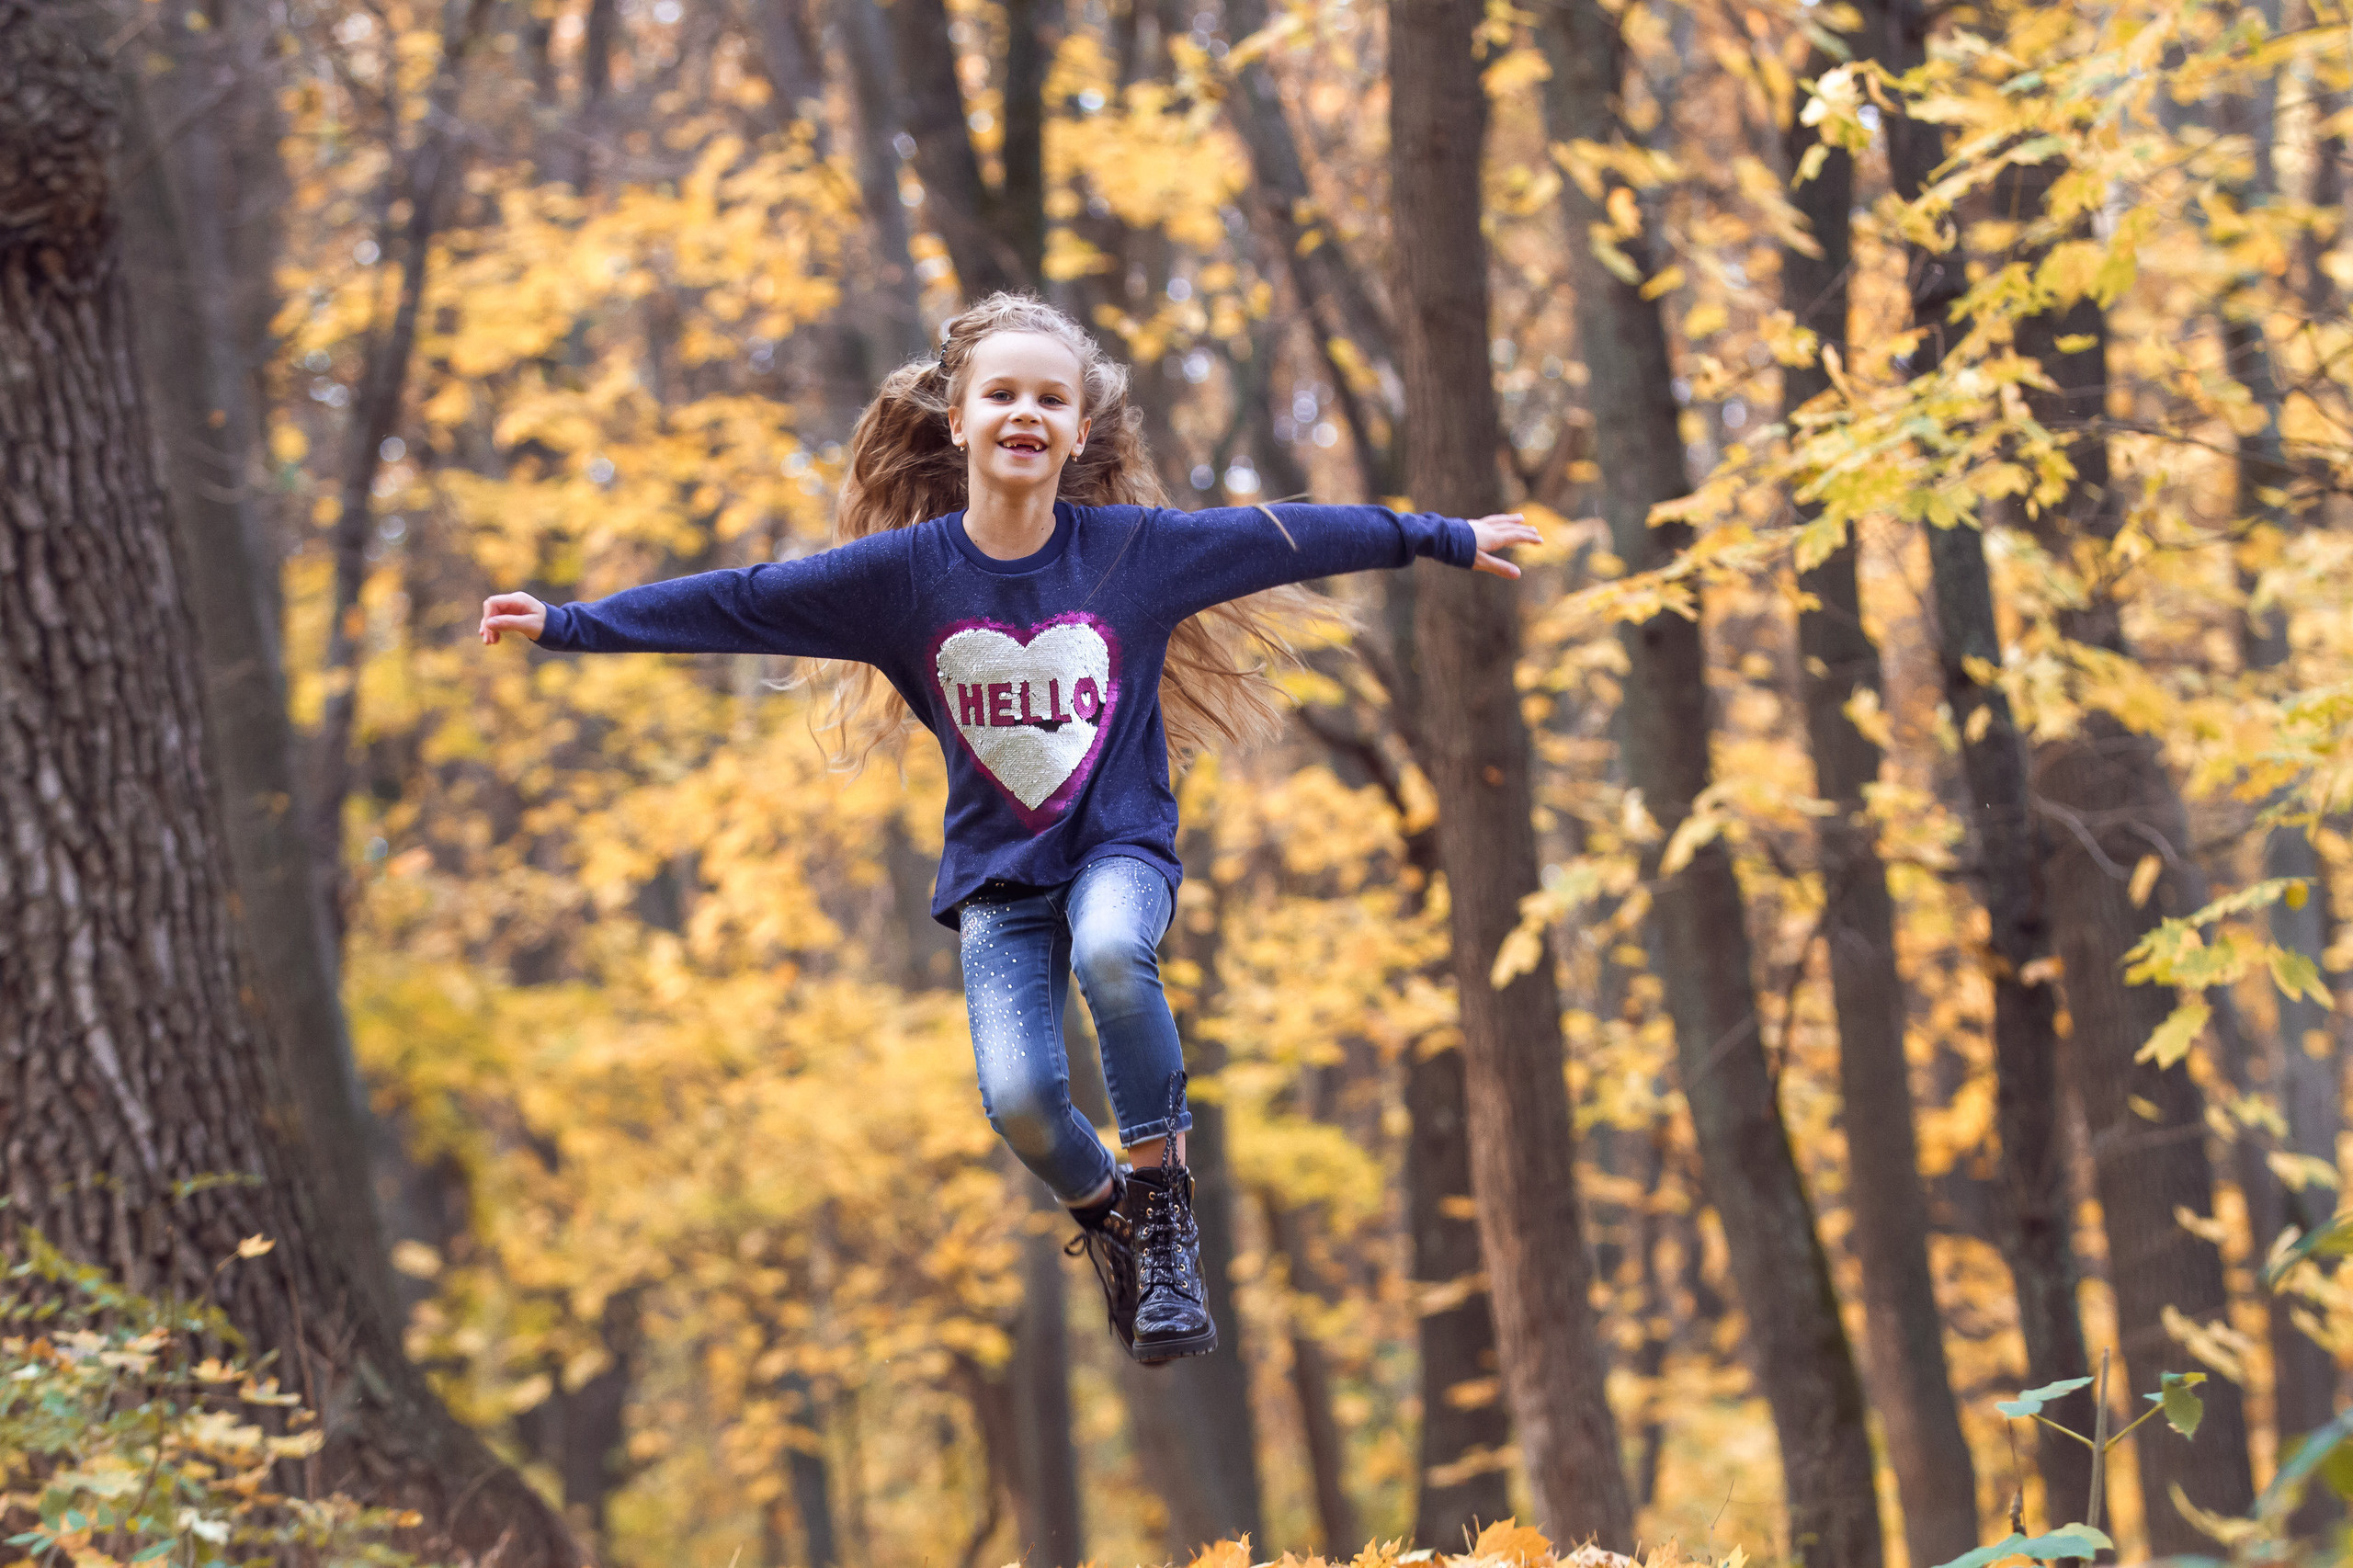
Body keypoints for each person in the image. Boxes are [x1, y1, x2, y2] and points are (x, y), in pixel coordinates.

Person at [480, 292, 1538, 1365]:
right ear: (958, 420)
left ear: (1079, 431)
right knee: (1025, 1103)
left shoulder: (1136, 552)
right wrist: (570, 623)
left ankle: (1166, 1219)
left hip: (1119, 845)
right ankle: (1111, 1216)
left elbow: (1288, 536)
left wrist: (1445, 537)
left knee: (1115, 951)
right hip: (998, 879)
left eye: (1050, 398)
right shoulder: (902, 578)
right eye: (1002, 394)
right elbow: (743, 600)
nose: (1025, 411)